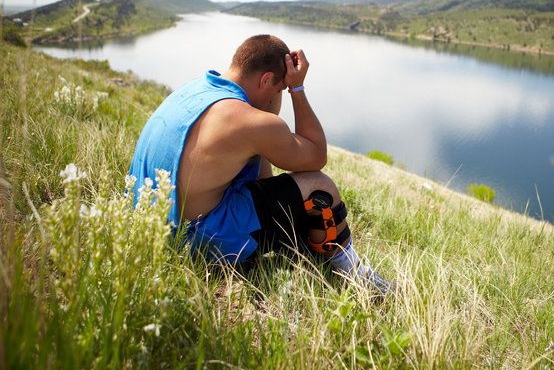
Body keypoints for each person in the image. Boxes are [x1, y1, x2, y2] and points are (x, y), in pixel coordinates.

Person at [129, 34, 393, 293]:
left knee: (283, 202)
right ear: (266, 79)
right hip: (191, 245)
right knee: (319, 188)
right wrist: (297, 88)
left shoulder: (196, 89)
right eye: (278, 89)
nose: (279, 94)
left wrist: (271, 97)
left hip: (146, 228)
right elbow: (316, 156)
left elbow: (263, 184)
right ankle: (357, 280)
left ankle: (305, 253)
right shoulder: (249, 121)